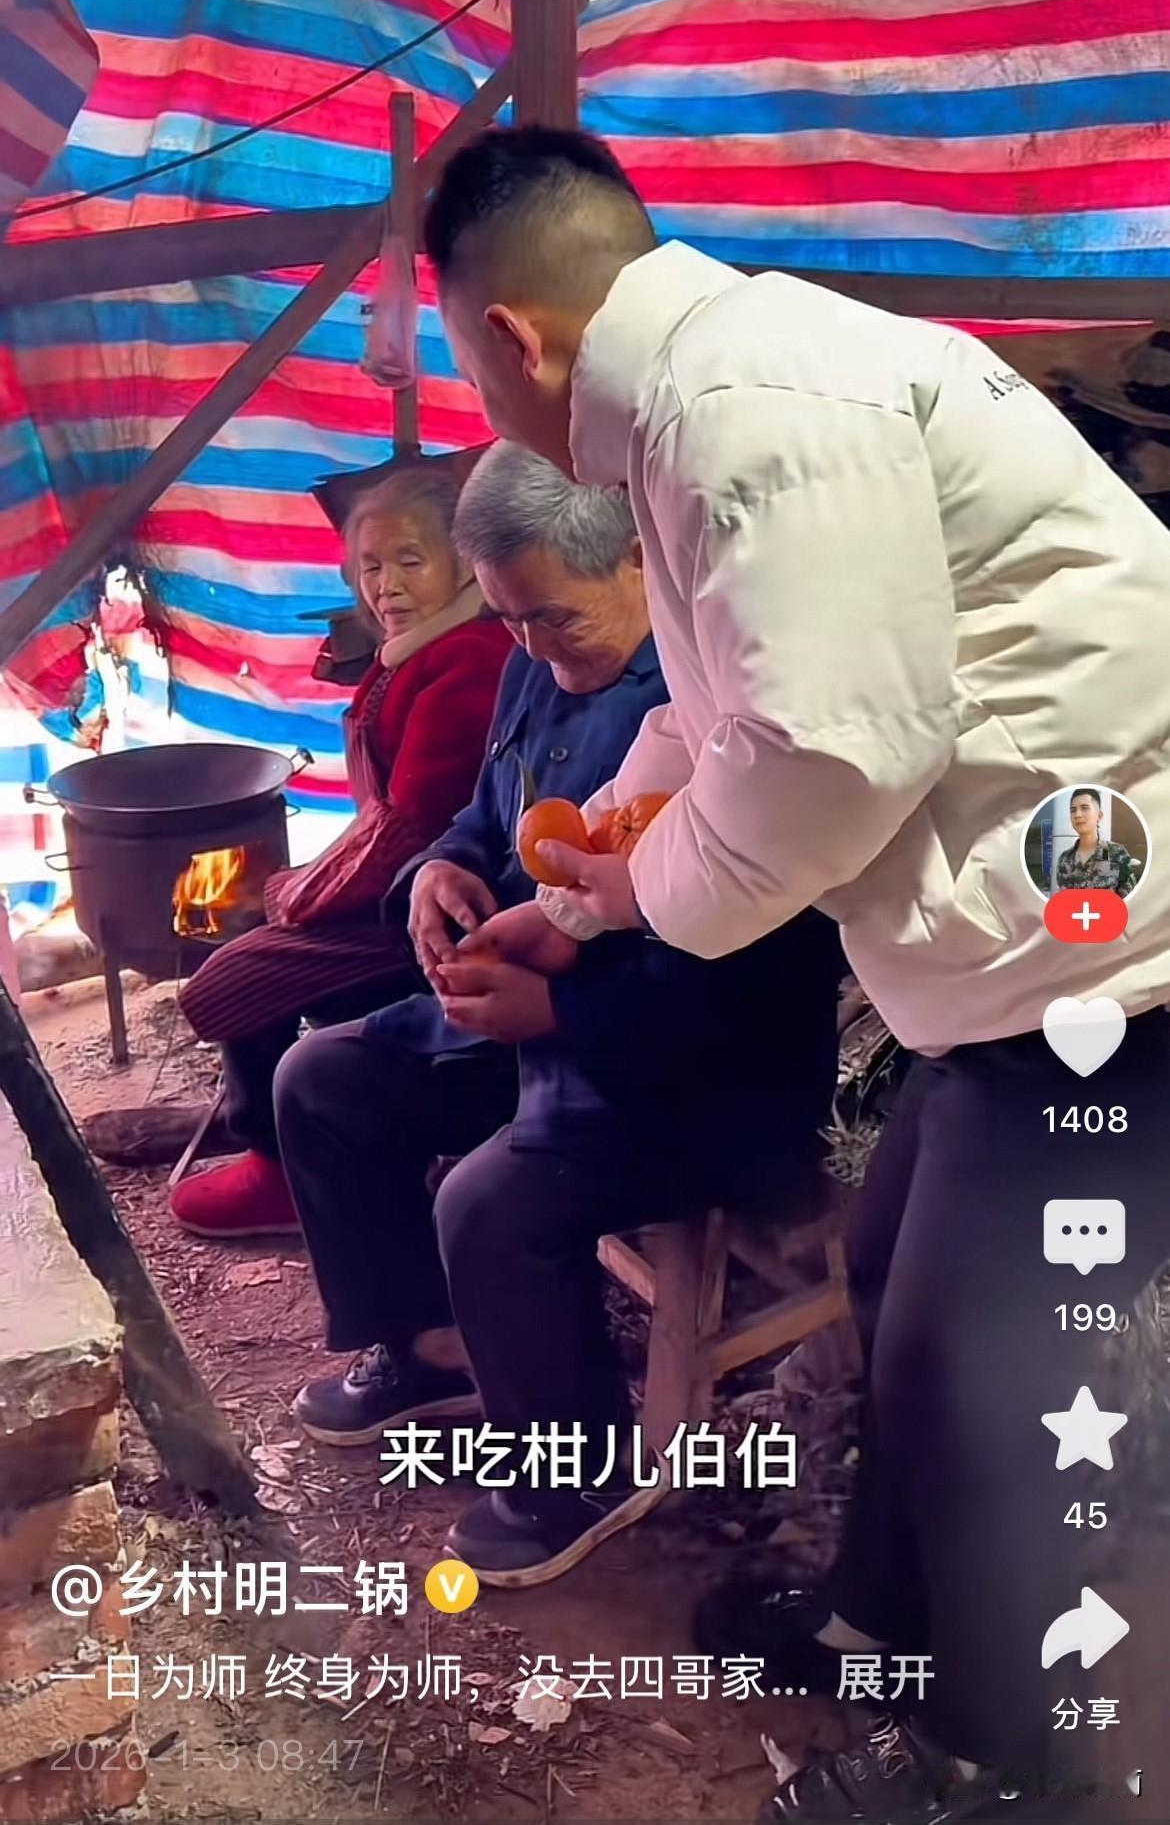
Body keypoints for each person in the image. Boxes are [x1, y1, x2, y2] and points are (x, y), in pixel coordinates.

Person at [420, 125, 1170, 1819]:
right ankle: (880, 1634)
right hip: (1032, 950)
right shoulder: (711, 399)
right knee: (903, 1280)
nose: (476, 393)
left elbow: (830, 753)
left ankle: (1003, 1766)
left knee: (977, 1365)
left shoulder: (742, 405)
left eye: (458, 357)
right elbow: (721, 715)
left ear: (510, 336)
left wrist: (641, 894)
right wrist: (587, 899)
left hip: (1120, 952)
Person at [273, 442, 842, 1585]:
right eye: (508, 618)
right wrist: (438, 873)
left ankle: (573, 1472)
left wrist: (559, 1010)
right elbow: (488, 821)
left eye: (552, 617)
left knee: (489, 1199)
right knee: (321, 1079)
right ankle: (431, 1346)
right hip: (542, 1011)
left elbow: (763, 972)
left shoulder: (726, 712)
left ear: (639, 558)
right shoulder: (536, 664)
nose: (530, 648)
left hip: (693, 1064)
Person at [159, 466, 512, 1237]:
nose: (386, 586)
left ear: (463, 561)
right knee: (251, 922)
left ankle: (280, 1172)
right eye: (371, 566)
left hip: (432, 911)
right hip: (396, 884)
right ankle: (270, 1131)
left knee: (239, 972)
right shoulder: (415, 650)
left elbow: (412, 829)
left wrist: (299, 897)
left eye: (411, 561)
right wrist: (296, 890)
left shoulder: (470, 659)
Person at [1054, 786, 1139, 896]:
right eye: (1073, 810)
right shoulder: (1064, 859)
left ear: (1099, 816)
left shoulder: (1117, 854)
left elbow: (1129, 899)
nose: (1077, 815)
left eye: (1084, 808)